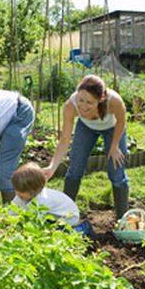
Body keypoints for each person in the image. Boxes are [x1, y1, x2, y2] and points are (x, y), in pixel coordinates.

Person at [42, 74, 129, 219]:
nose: (83, 106)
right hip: (86, 128)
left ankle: (123, 220)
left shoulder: (113, 101)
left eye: (89, 102)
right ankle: (66, 214)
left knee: (116, 171)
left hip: (112, 128)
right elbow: (64, 140)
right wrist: (52, 166)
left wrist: (114, 146)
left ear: (100, 99)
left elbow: (121, 121)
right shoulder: (71, 105)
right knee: (75, 168)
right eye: (80, 100)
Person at [11, 162, 95, 239]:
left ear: (33, 191)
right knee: (48, 230)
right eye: (16, 190)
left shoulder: (42, 200)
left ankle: (83, 227)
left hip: (68, 218)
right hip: (52, 216)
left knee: (63, 237)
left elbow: (34, 223)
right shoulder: (20, 194)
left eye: (21, 194)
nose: (18, 194)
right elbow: (12, 212)